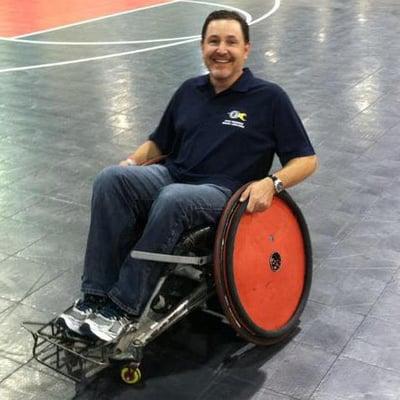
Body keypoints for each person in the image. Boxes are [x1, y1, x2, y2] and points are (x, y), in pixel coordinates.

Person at [58, 10, 318, 342]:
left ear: (246, 49)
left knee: (174, 199)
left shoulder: (269, 99)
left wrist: (273, 182)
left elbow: (306, 160)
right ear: (202, 46)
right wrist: (130, 162)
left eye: (230, 42)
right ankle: (94, 297)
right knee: (110, 180)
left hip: (223, 192)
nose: (221, 49)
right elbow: (159, 143)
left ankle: (123, 307)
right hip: (174, 174)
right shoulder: (189, 90)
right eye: (213, 41)